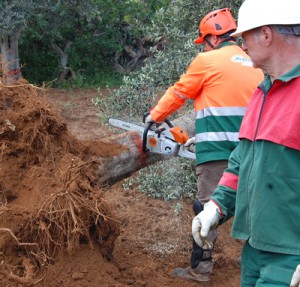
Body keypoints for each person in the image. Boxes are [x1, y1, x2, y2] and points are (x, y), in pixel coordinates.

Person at [145, 7, 264, 282]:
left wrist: (154, 117)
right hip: (253, 150)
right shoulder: (253, 60)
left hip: (217, 153)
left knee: (206, 208)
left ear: (211, 38)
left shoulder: (207, 60)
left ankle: (200, 269)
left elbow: (179, 92)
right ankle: (260, 269)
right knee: (253, 209)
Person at [191, 0, 300, 286]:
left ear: (266, 34)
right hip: (254, 251)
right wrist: (216, 206)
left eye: (245, 37)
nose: (242, 46)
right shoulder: (262, 92)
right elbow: (242, 160)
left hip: (290, 256)